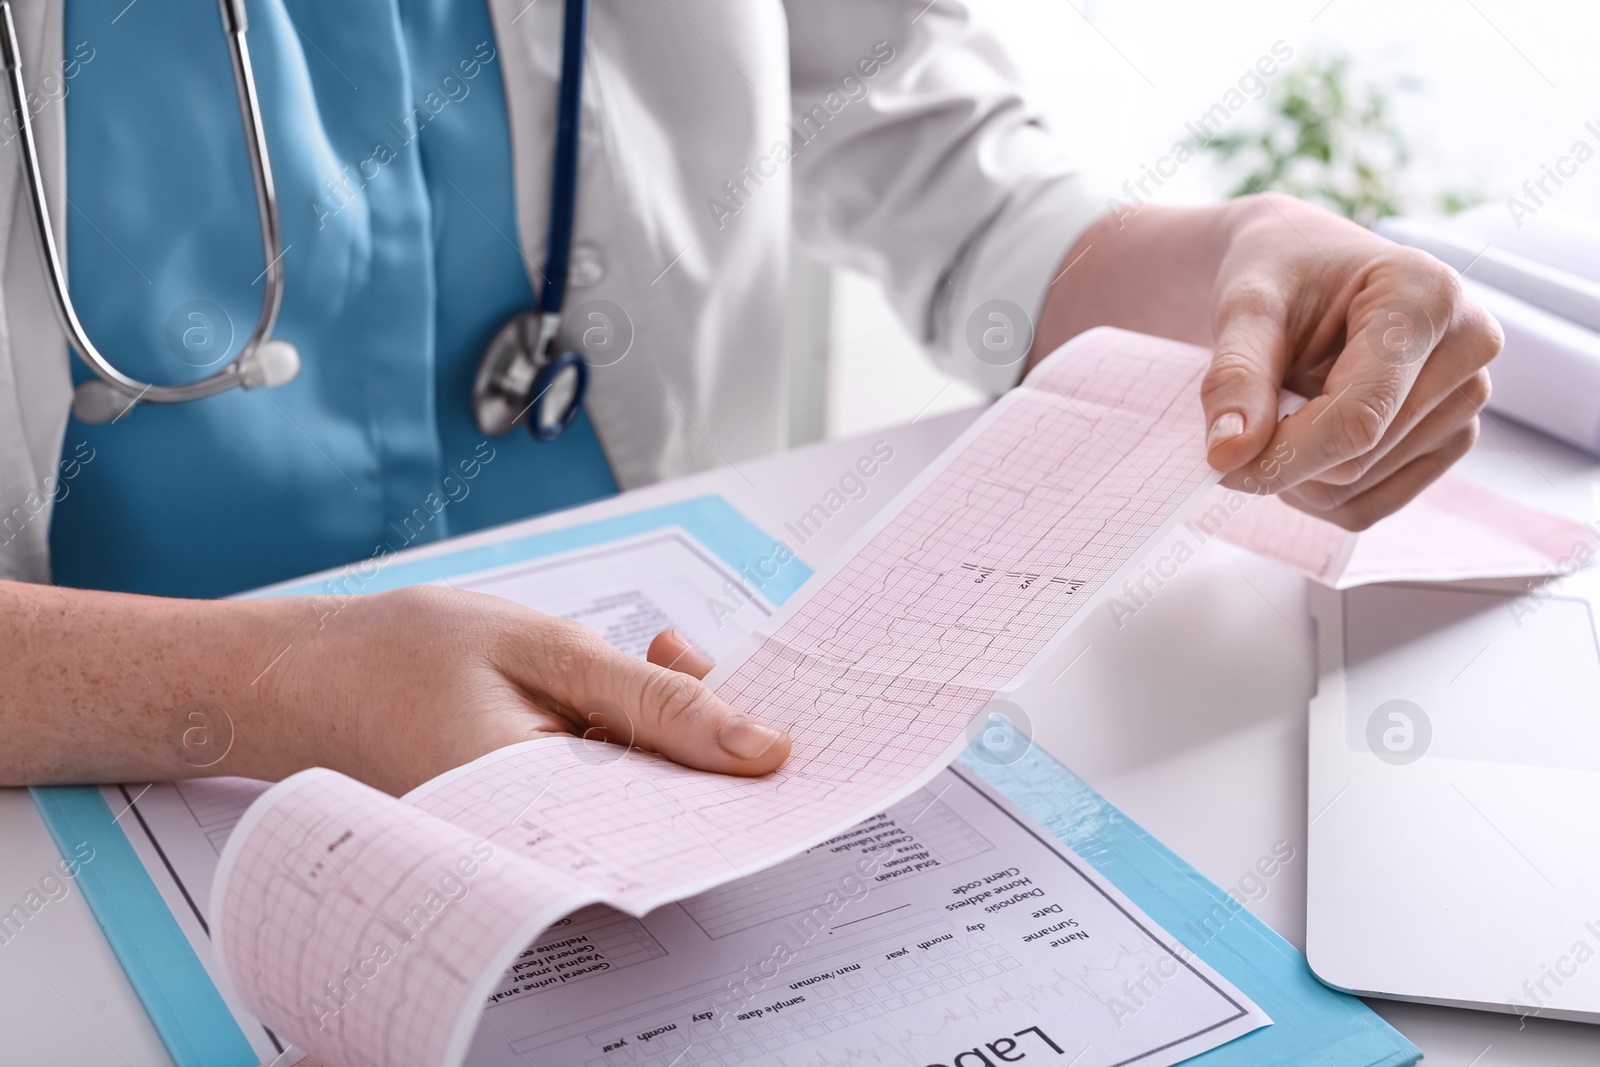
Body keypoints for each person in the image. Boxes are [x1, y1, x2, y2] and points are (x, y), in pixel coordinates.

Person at [0, 0, 1498, 795]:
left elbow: (918, 138)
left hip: (661, 693)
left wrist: (1228, 266)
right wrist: (280, 688)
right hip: (88, 810)